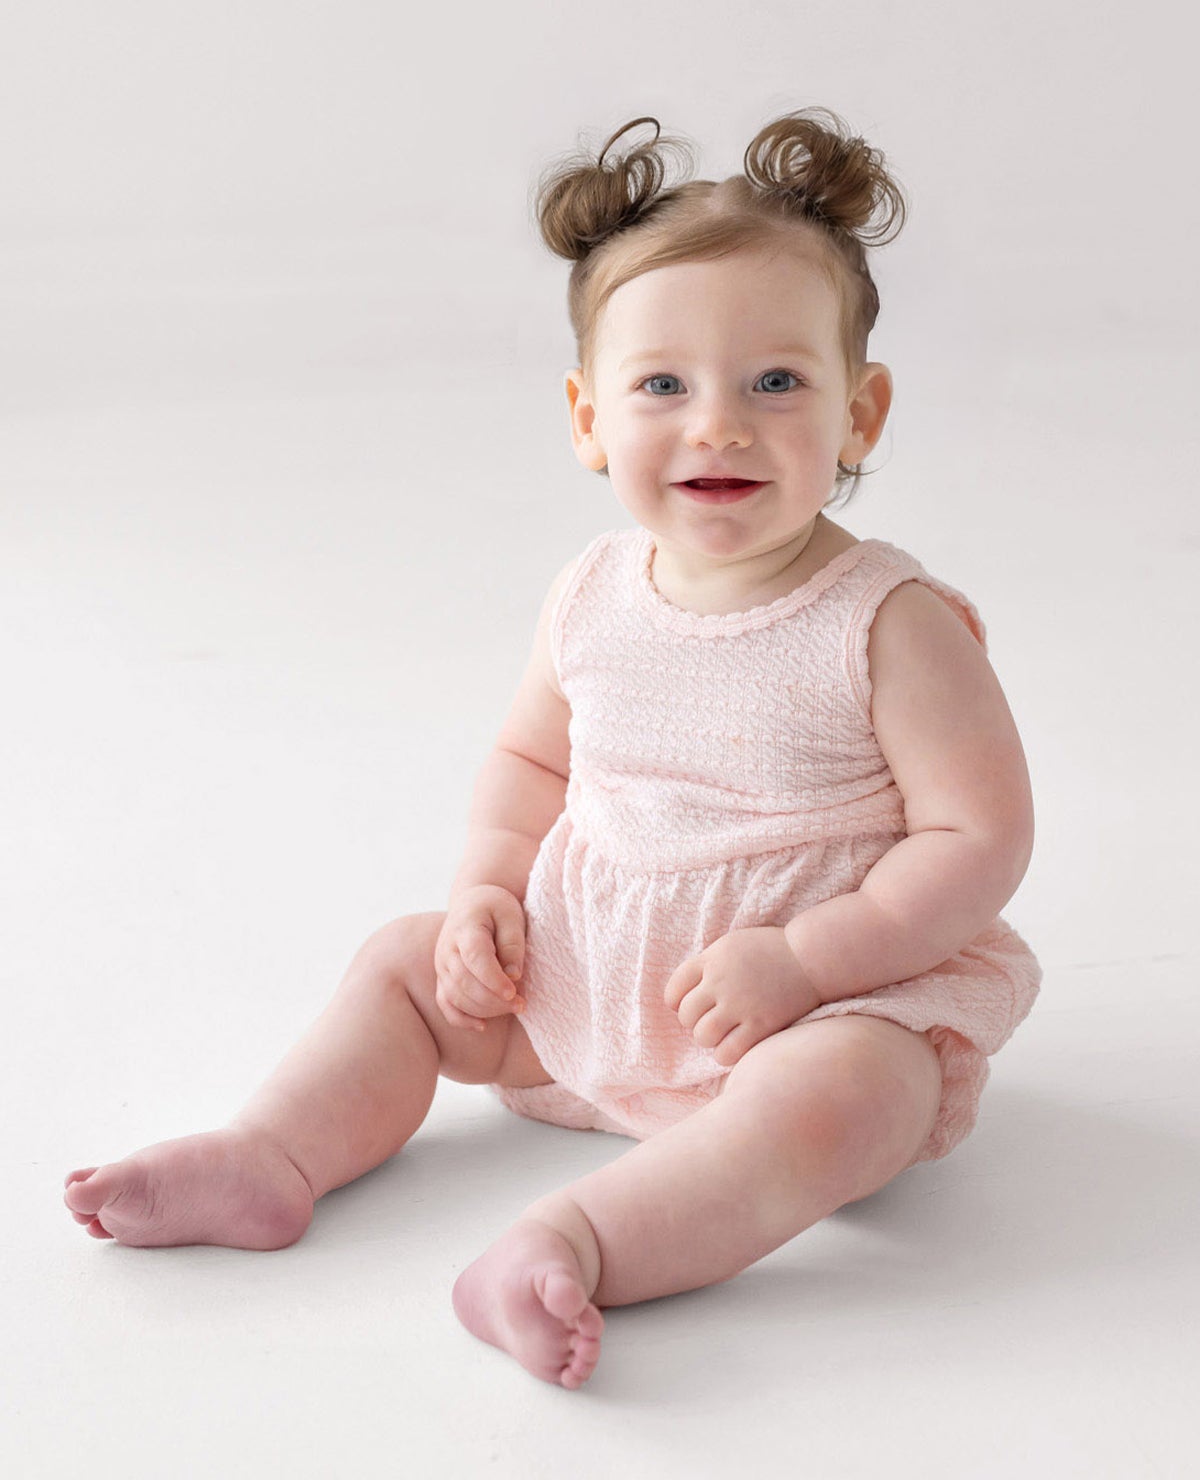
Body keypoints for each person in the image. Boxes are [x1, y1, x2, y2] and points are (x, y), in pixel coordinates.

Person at [63, 108, 1041, 1391]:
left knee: (858, 1096)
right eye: (662, 386)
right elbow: (532, 767)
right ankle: (274, 1155)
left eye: (777, 383)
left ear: (862, 413)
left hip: (804, 1008)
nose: (719, 426)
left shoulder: (890, 623)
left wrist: (809, 962)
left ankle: (572, 1242)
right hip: (592, 980)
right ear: (588, 417)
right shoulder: (592, 593)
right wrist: (486, 893)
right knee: (402, 963)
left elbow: (979, 837)